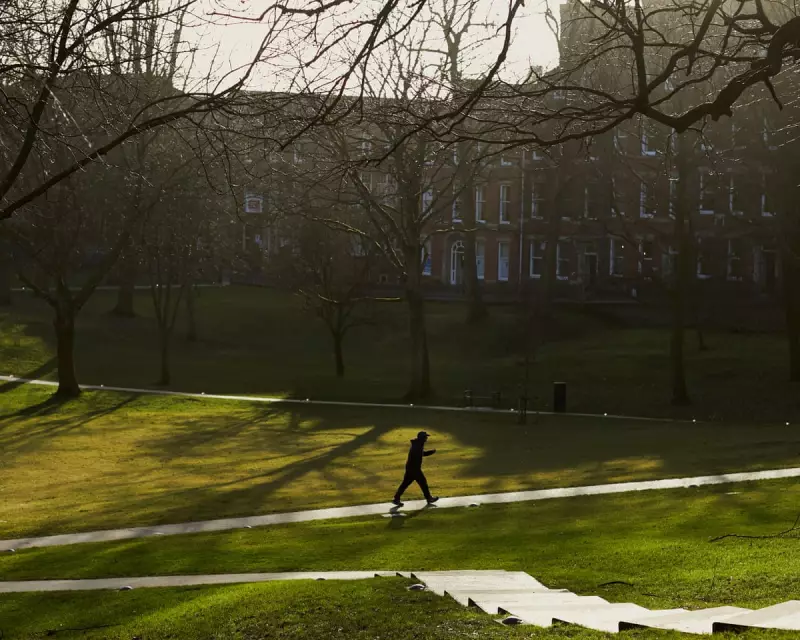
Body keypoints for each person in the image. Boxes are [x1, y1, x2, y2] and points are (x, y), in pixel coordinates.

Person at [391, 431, 439, 506]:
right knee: (423, 483)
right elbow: (418, 455)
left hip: (411, 468)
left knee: (405, 484)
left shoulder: (417, 444)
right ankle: (429, 498)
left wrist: (431, 452)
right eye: (425, 437)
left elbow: (422, 453)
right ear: (422, 438)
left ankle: (396, 499)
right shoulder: (417, 446)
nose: (426, 438)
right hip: (414, 469)